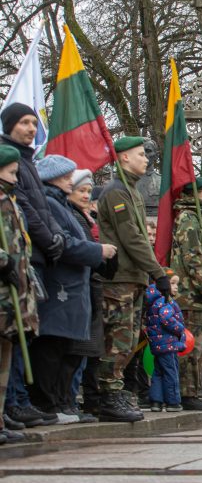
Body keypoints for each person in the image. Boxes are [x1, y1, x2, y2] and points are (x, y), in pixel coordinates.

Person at [30, 156, 116, 425]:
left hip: (73, 288)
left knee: (65, 350)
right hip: (61, 288)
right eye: (66, 176)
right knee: (52, 350)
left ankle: (58, 402)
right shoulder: (53, 205)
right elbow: (65, 243)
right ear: (53, 178)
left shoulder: (60, 205)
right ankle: (48, 404)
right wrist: (98, 250)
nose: (71, 180)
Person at [96, 136, 170, 422]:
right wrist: (158, 272)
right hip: (120, 279)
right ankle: (108, 394)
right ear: (124, 157)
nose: (147, 159)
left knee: (126, 342)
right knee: (116, 340)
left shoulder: (131, 192)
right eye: (141, 154)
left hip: (133, 277)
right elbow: (132, 239)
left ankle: (115, 390)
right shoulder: (116, 193)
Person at [1, 105, 65, 429]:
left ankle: (17, 402)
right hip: (18, 262)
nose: (30, 128)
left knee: (23, 333)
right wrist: (48, 236)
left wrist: (54, 235)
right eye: (24, 122)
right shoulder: (12, 161)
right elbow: (25, 206)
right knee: (14, 336)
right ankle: (13, 404)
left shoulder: (27, 162)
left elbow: (40, 206)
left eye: (33, 122)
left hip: (31, 257)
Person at [67, 168, 115, 418]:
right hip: (81, 287)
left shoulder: (87, 219)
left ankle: (78, 402)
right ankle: (71, 402)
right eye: (82, 191)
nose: (87, 196)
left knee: (89, 352)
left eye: (88, 191)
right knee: (79, 352)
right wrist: (99, 254)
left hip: (93, 288)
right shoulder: (74, 217)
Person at [169, 176, 202, 411]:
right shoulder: (189, 219)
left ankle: (192, 391)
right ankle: (185, 392)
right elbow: (194, 259)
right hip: (193, 297)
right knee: (192, 347)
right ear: (195, 193)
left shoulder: (199, 218)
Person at [0, 144, 39, 443]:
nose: (15, 177)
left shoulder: (9, 201)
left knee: (6, 356)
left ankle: (1, 418)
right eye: (11, 172)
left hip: (14, 294)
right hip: (3, 291)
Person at [145, 272, 186, 412]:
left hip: (158, 343)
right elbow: (166, 318)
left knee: (158, 372)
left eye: (177, 284)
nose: (175, 287)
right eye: (172, 283)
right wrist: (180, 329)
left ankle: (156, 401)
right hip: (168, 342)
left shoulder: (154, 301)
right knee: (171, 372)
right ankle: (173, 402)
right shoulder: (165, 301)